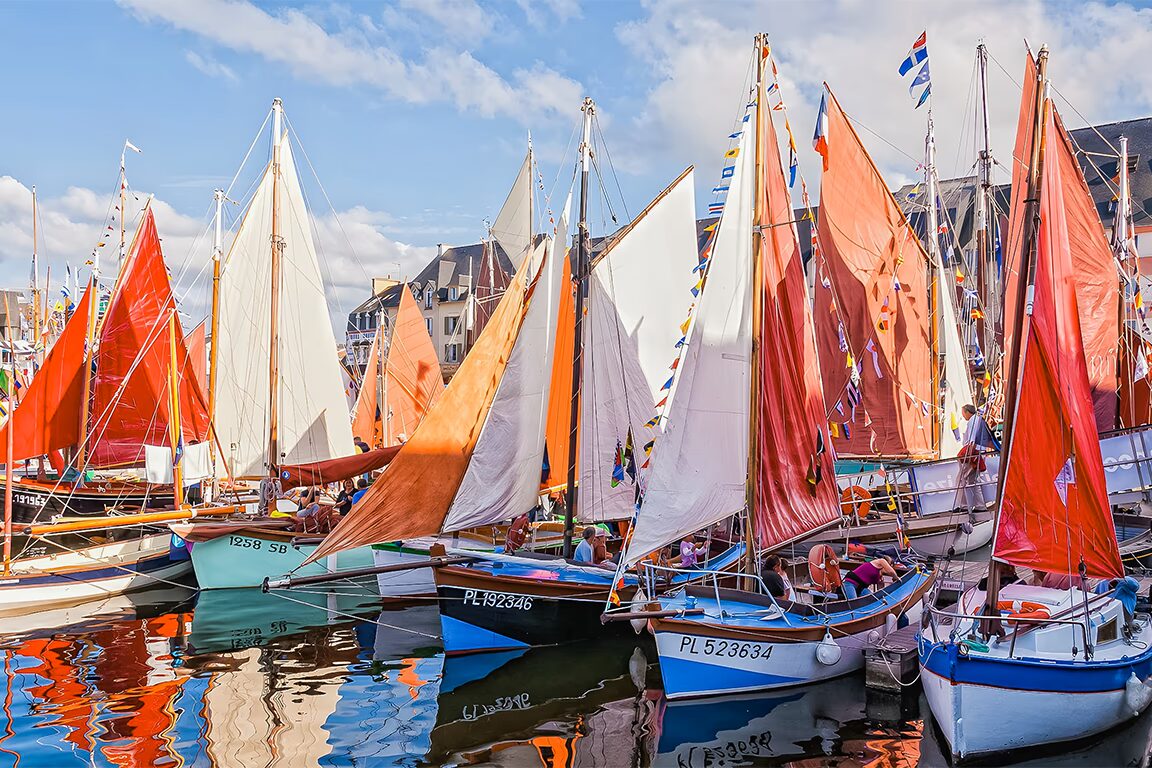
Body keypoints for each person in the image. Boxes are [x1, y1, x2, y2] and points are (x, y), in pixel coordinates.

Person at [955, 405, 1000, 512]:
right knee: (973, 480)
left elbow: (972, 440)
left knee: (962, 479)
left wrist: (969, 455)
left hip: (974, 452)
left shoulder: (973, 420)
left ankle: (965, 506)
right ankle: (978, 506)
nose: (963, 415)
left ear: (967, 412)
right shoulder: (979, 420)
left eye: (963, 413)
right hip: (979, 452)